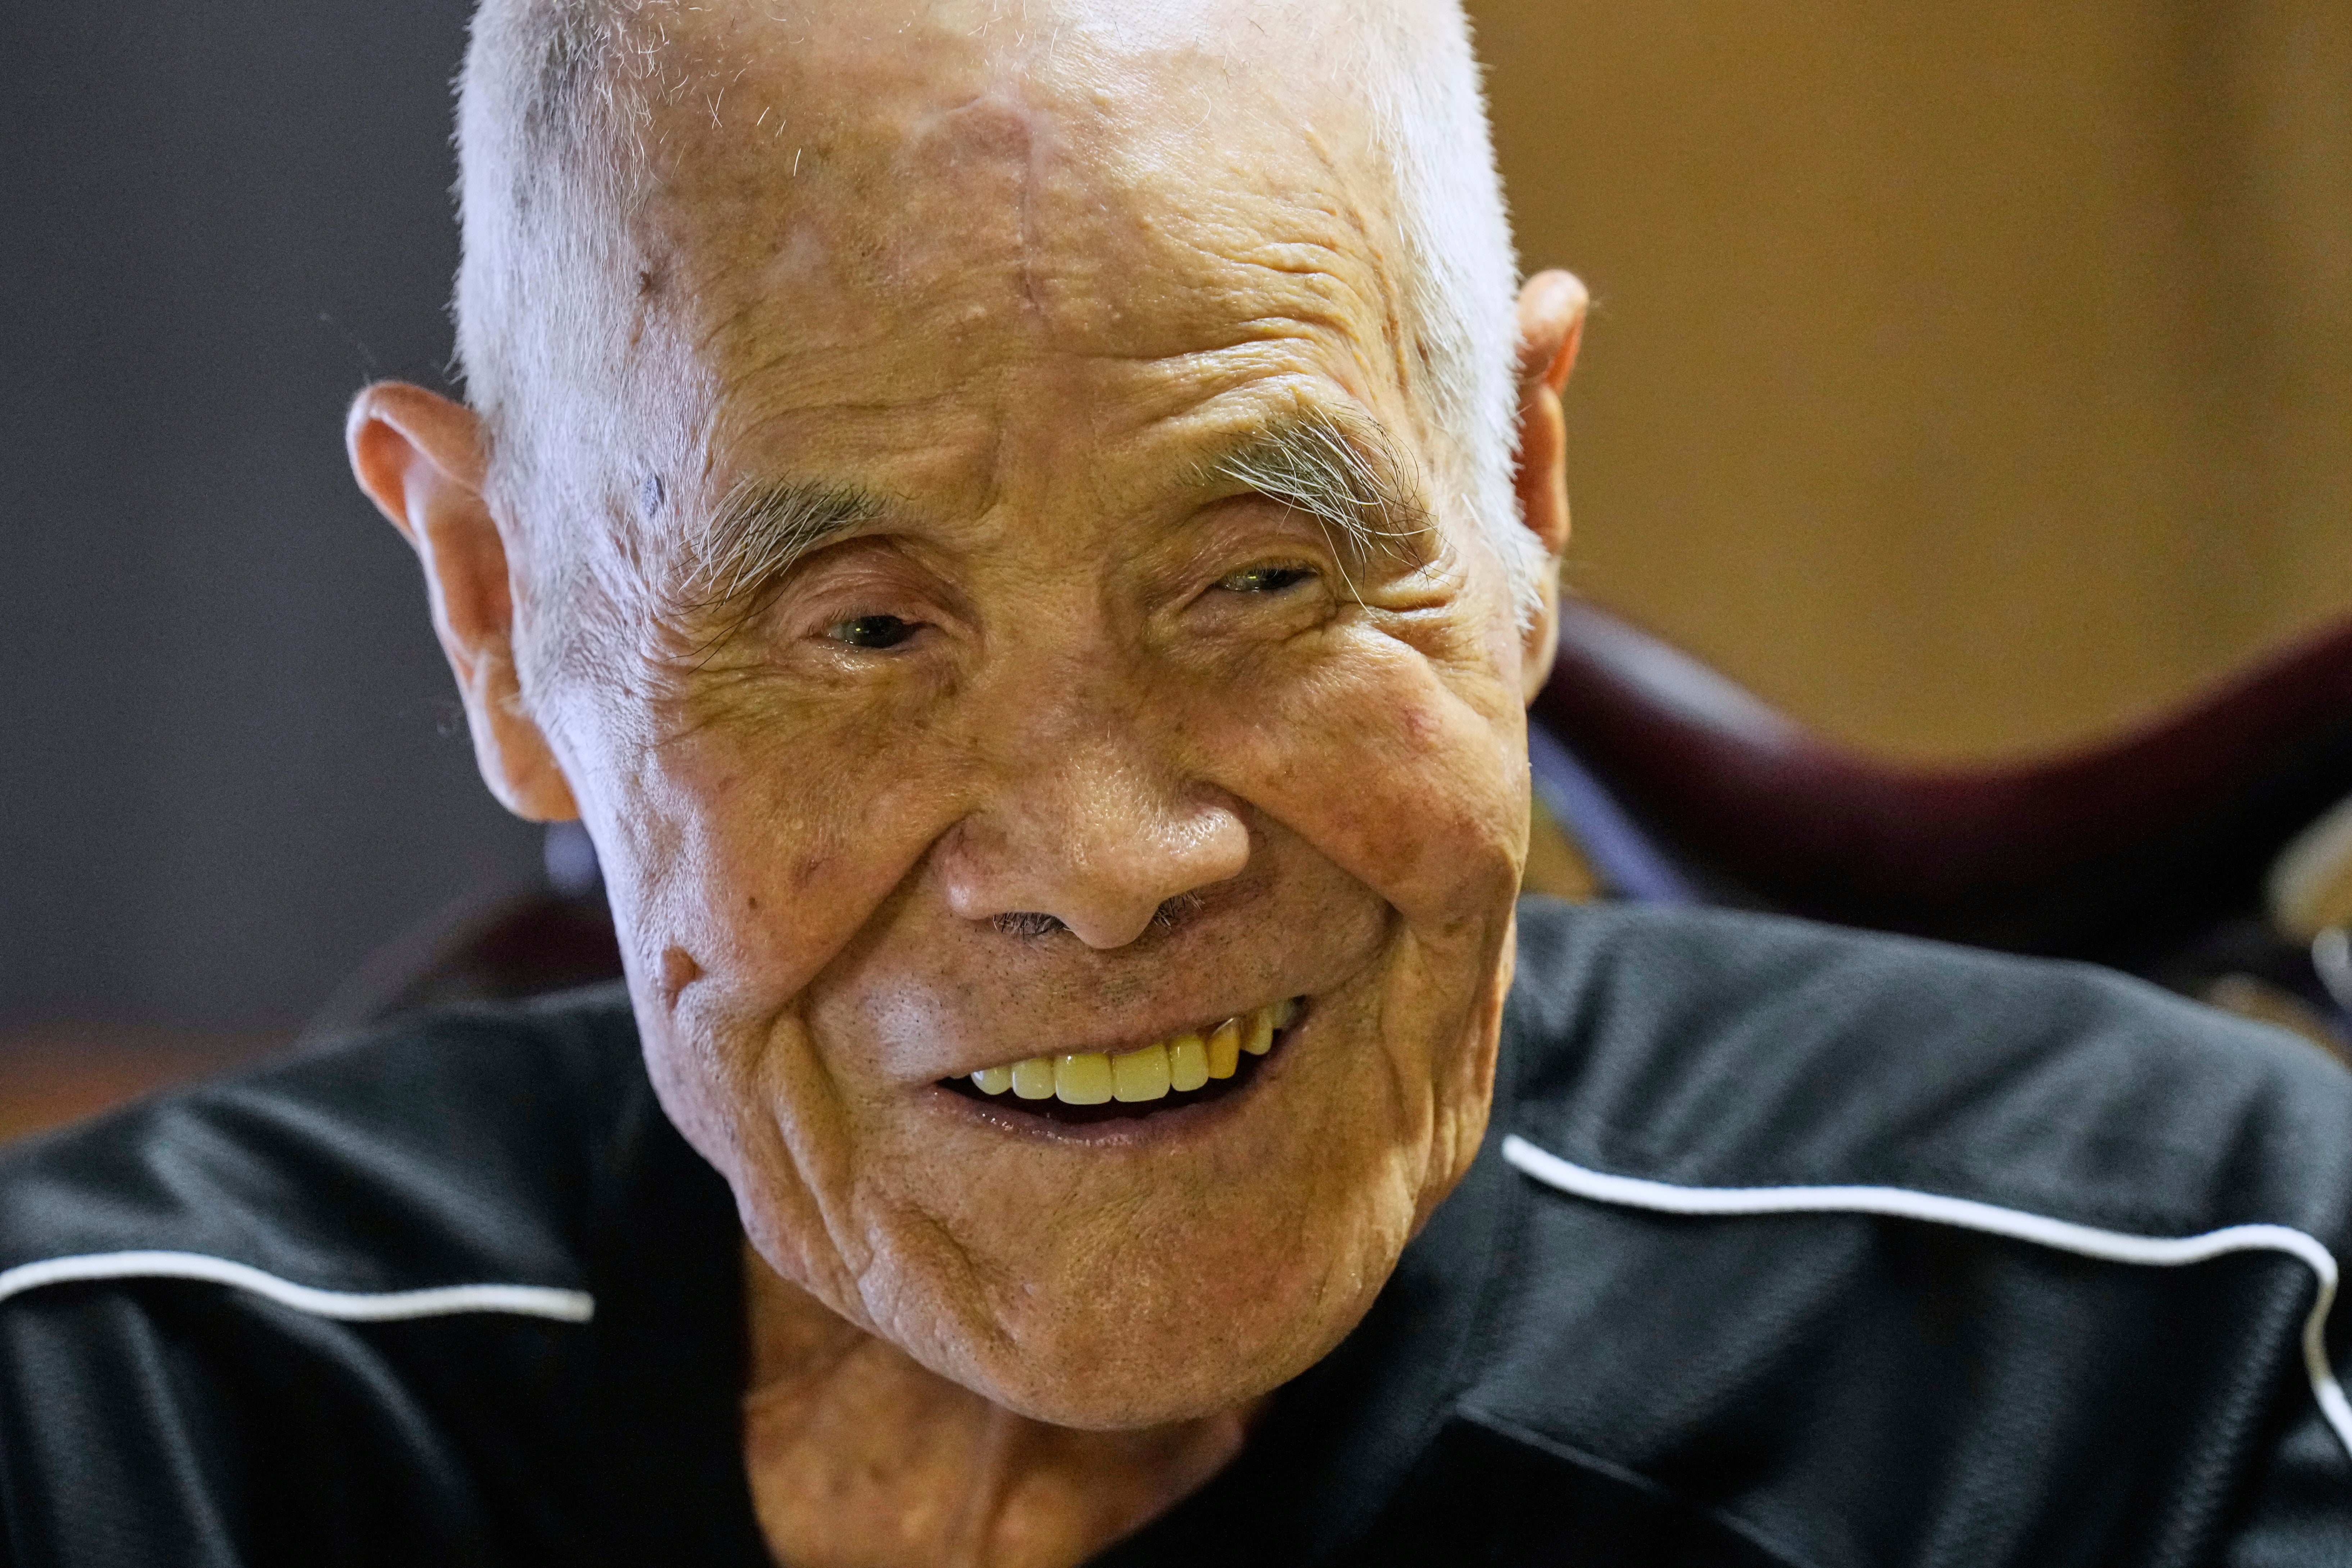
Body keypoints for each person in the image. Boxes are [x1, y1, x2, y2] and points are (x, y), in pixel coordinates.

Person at [3, 1, 2349, 1562]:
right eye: (869, 629)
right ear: (504, 620)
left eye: (1259, 578)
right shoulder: (114, 1435)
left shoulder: (2200, 1332)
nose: (1109, 870)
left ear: (1518, 492)